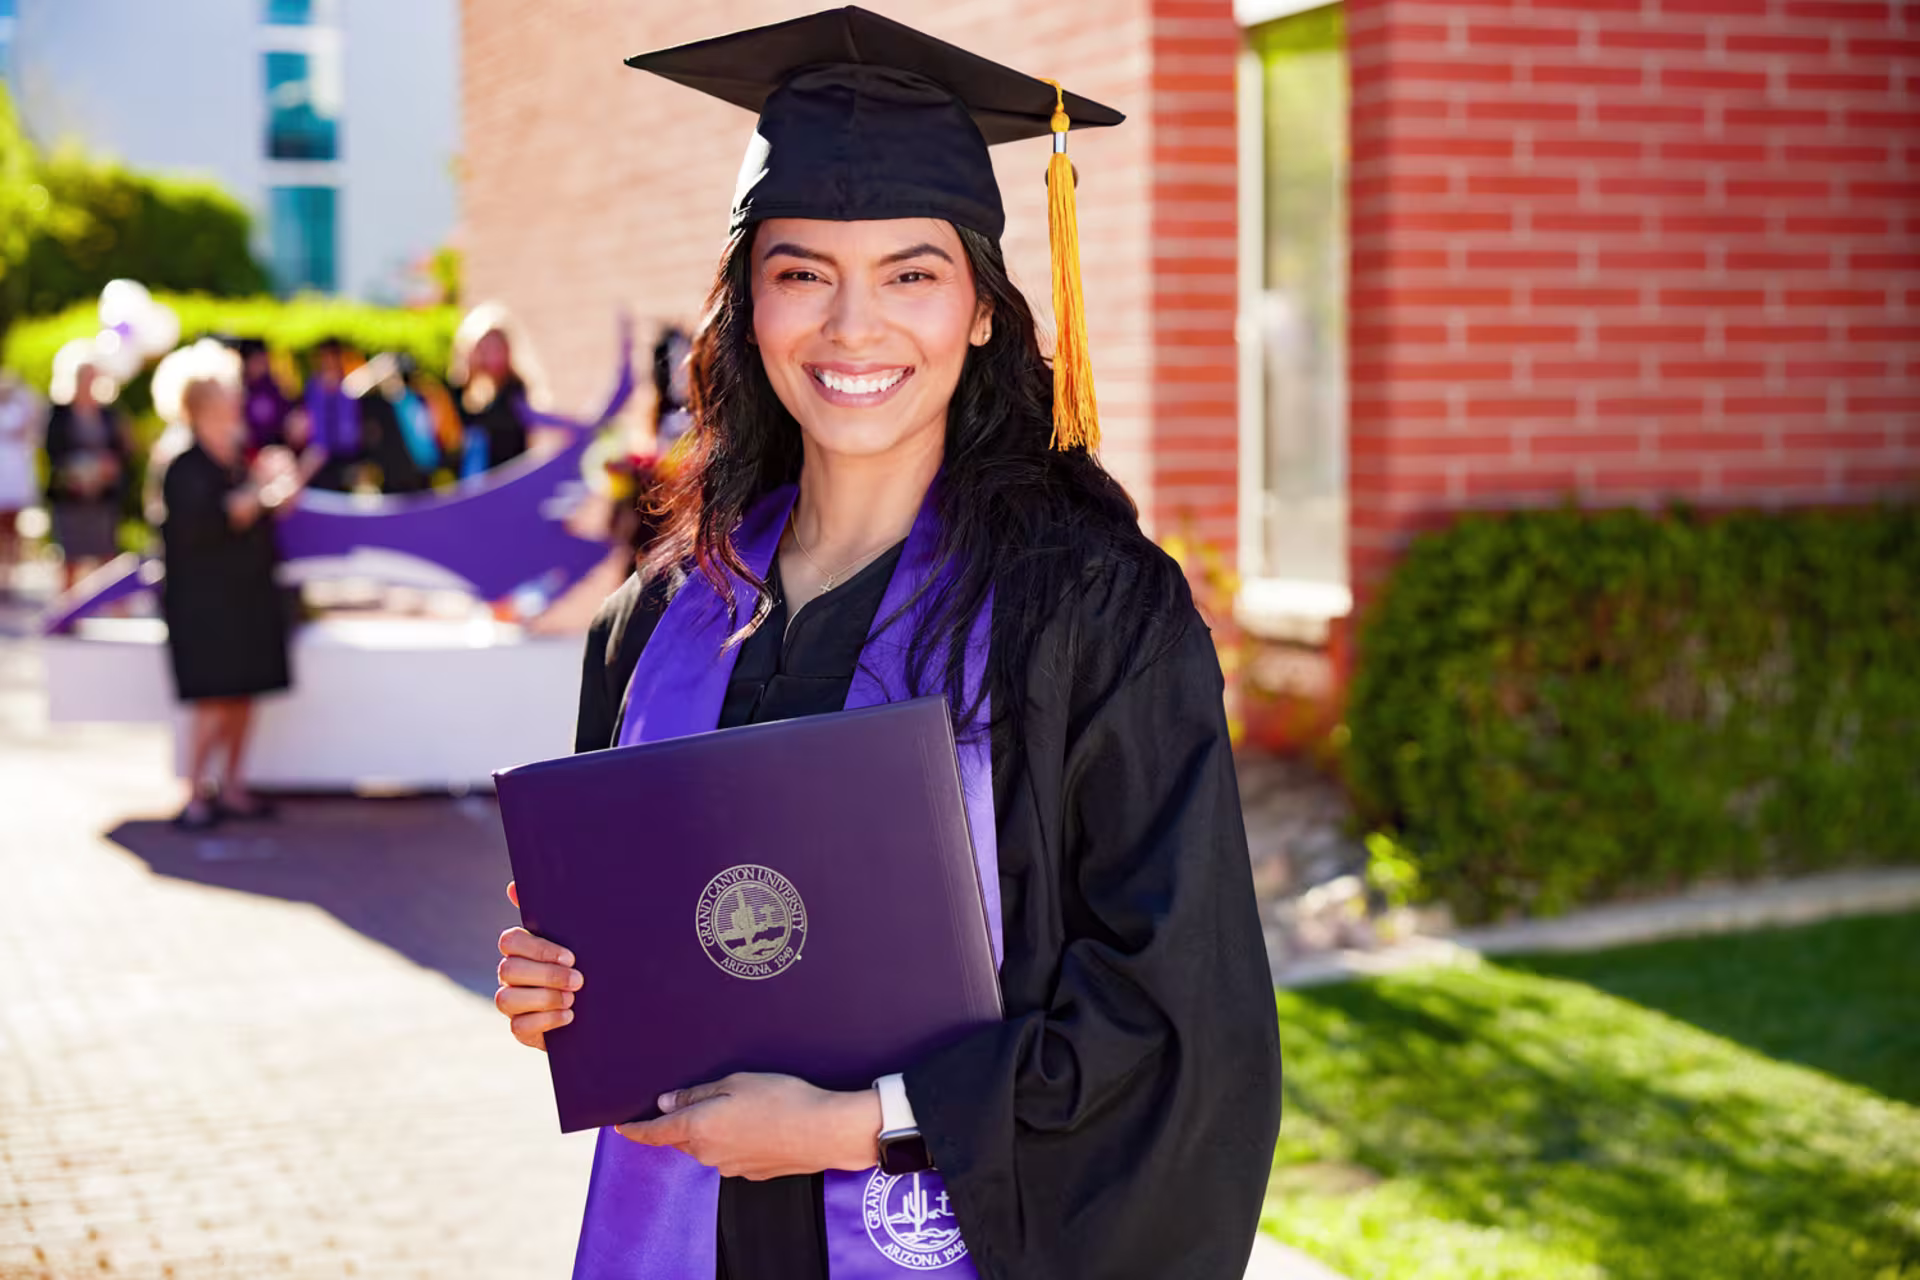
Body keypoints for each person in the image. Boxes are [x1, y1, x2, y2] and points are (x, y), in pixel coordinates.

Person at [492, 11, 1281, 1280]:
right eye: (803, 271)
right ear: (749, 303)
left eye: (912, 273)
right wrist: (562, 996)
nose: (853, 327)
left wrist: (863, 1124)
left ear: (981, 310)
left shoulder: (1088, 617)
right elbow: (653, 958)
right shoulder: (656, 621)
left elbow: (1176, 1015)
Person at [150, 339, 310, 830]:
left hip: (247, 595)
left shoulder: (238, 458)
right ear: (199, 404)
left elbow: (258, 508)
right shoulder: (183, 463)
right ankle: (196, 792)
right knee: (214, 699)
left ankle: (233, 786)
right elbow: (225, 515)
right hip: (205, 602)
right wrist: (264, 493)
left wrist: (279, 487)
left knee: (244, 694)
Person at [43, 339, 134, 589]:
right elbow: (53, 450)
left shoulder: (109, 414)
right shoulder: (60, 413)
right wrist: (79, 467)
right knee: (70, 553)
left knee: (105, 549)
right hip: (71, 492)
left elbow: (123, 449)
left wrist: (109, 465)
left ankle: (111, 604)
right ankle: (66, 610)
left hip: (101, 492)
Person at [449, 302, 544, 476]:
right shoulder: (465, 395)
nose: (490, 356)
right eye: (483, 349)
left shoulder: (515, 392)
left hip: (511, 484)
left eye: (496, 348)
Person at [0, 371, 45, 596]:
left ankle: (10, 576)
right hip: (3, 474)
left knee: (12, 530)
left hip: (14, 475)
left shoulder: (22, 407)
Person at [301, 336, 364, 491]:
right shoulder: (313, 387)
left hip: (346, 457)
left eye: (330, 356)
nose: (327, 361)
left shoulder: (350, 386)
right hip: (318, 458)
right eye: (323, 357)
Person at [235, 337, 294, 455]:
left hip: (276, 449)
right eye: (256, 360)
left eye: (263, 360)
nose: (262, 365)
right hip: (248, 453)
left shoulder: (274, 386)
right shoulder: (240, 389)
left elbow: (287, 418)